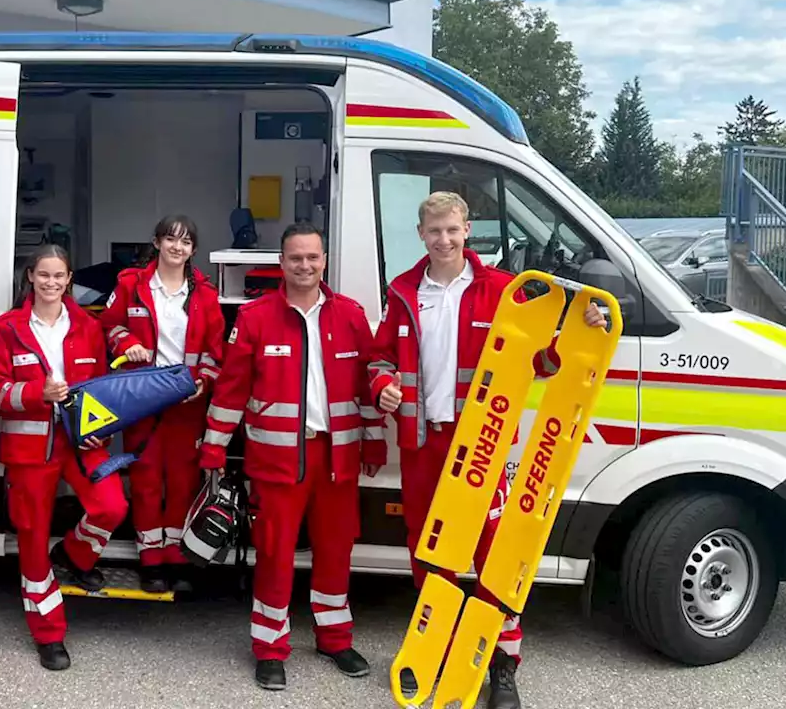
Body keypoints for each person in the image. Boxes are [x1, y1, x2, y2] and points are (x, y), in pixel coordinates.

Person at [367, 191, 608, 709]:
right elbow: (379, 357)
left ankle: (501, 664)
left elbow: (544, 360)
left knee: (492, 553)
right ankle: (440, 654)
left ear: (467, 229)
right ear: (421, 235)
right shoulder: (404, 291)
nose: (445, 239)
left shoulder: (504, 291)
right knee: (429, 553)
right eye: (435, 231)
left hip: (481, 443)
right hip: (421, 444)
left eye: (453, 230)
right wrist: (382, 383)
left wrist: (584, 327)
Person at [199, 222, 387, 691]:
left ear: (325, 261)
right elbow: (232, 388)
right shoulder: (256, 317)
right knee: (275, 553)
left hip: (337, 456)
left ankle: (334, 638)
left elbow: (367, 385)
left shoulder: (349, 314)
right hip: (277, 458)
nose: (305, 265)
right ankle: (269, 647)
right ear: (281, 263)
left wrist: (376, 440)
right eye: (295, 258)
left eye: (313, 258)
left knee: (336, 550)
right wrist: (214, 446)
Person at [0, 244, 129, 672]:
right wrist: (34, 394)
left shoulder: (87, 324)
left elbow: (101, 389)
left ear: (69, 280)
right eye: (42, 275)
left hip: (81, 443)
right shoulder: (8, 328)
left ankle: (76, 554)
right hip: (30, 449)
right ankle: (48, 634)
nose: (50, 283)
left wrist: (97, 430)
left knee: (112, 505)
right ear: (30, 277)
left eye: (58, 276)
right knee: (31, 540)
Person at [98, 215, 226, 594]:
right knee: (146, 480)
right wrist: (126, 345)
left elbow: (216, 351)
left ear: (193, 250)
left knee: (184, 482)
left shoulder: (206, 294)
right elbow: (109, 326)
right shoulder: (131, 285)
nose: (177, 247)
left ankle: (177, 558)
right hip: (143, 398)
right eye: (170, 239)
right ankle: (151, 560)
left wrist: (202, 381)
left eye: (185, 242)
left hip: (187, 401)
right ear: (156, 243)